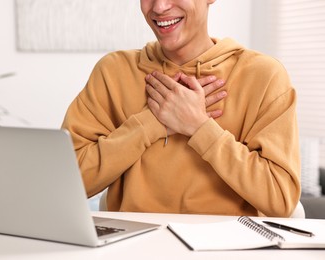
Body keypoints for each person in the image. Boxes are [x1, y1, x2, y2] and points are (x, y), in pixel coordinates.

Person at [62, 0, 300, 217]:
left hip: (227, 248)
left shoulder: (263, 76)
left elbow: (280, 199)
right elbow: (65, 182)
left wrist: (200, 127)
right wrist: (151, 123)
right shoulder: (113, 71)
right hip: (133, 246)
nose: (159, 7)